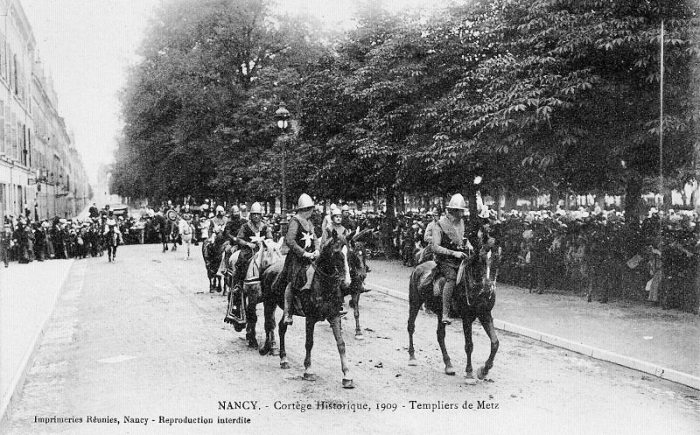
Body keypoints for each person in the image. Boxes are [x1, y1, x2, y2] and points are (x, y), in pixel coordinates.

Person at [431, 193, 473, 324]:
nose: (462, 214)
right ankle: (445, 313)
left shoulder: (461, 223)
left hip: (460, 258)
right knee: (451, 278)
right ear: (452, 211)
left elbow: (463, 239)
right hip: (445, 260)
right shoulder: (439, 224)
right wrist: (453, 253)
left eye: (462, 211)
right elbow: (435, 247)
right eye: (459, 211)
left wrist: (469, 245)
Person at [279, 194, 320, 325]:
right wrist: (304, 254)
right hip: (296, 259)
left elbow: (314, 237)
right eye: (310, 209)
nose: (312, 211)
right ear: (306, 209)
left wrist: (317, 249)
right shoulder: (295, 221)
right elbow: (290, 241)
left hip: (311, 256)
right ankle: (288, 312)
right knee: (293, 281)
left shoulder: (309, 222)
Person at [232, 202, 273, 290]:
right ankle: (238, 283)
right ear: (251, 215)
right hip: (248, 250)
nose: (256, 216)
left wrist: (266, 242)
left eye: (258, 214)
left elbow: (270, 237)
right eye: (254, 214)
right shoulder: (245, 226)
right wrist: (247, 244)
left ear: (261, 215)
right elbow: (239, 238)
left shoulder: (265, 226)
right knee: (241, 260)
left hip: (262, 249)